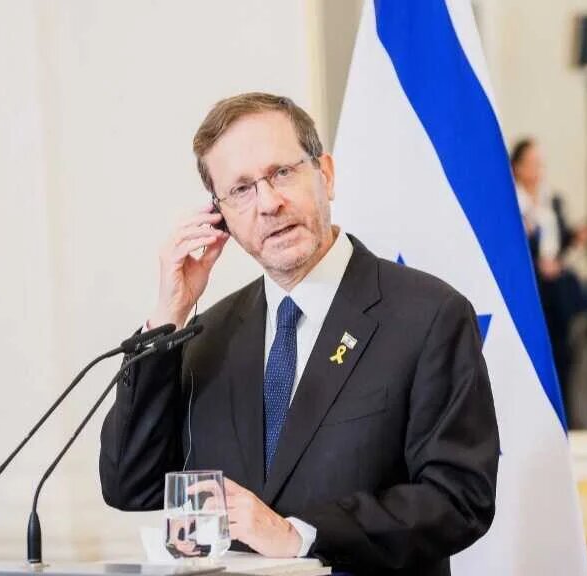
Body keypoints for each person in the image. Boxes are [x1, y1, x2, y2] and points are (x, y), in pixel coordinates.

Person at [99, 92, 499, 575]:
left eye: (282, 173)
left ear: (325, 175)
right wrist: (169, 315)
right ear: (219, 216)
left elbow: (460, 498)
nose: (268, 203)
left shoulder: (428, 315)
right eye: (241, 190)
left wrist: (299, 535)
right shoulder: (206, 335)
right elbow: (130, 482)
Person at [511, 138, 587, 426]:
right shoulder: (511, 205)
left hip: (556, 294)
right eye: (532, 163)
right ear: (518, 167)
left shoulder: (551, 202)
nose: (538, 170)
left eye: (540, 164)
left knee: (564, 354)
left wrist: (576, 239)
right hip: (533, 293)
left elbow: (558, 243)